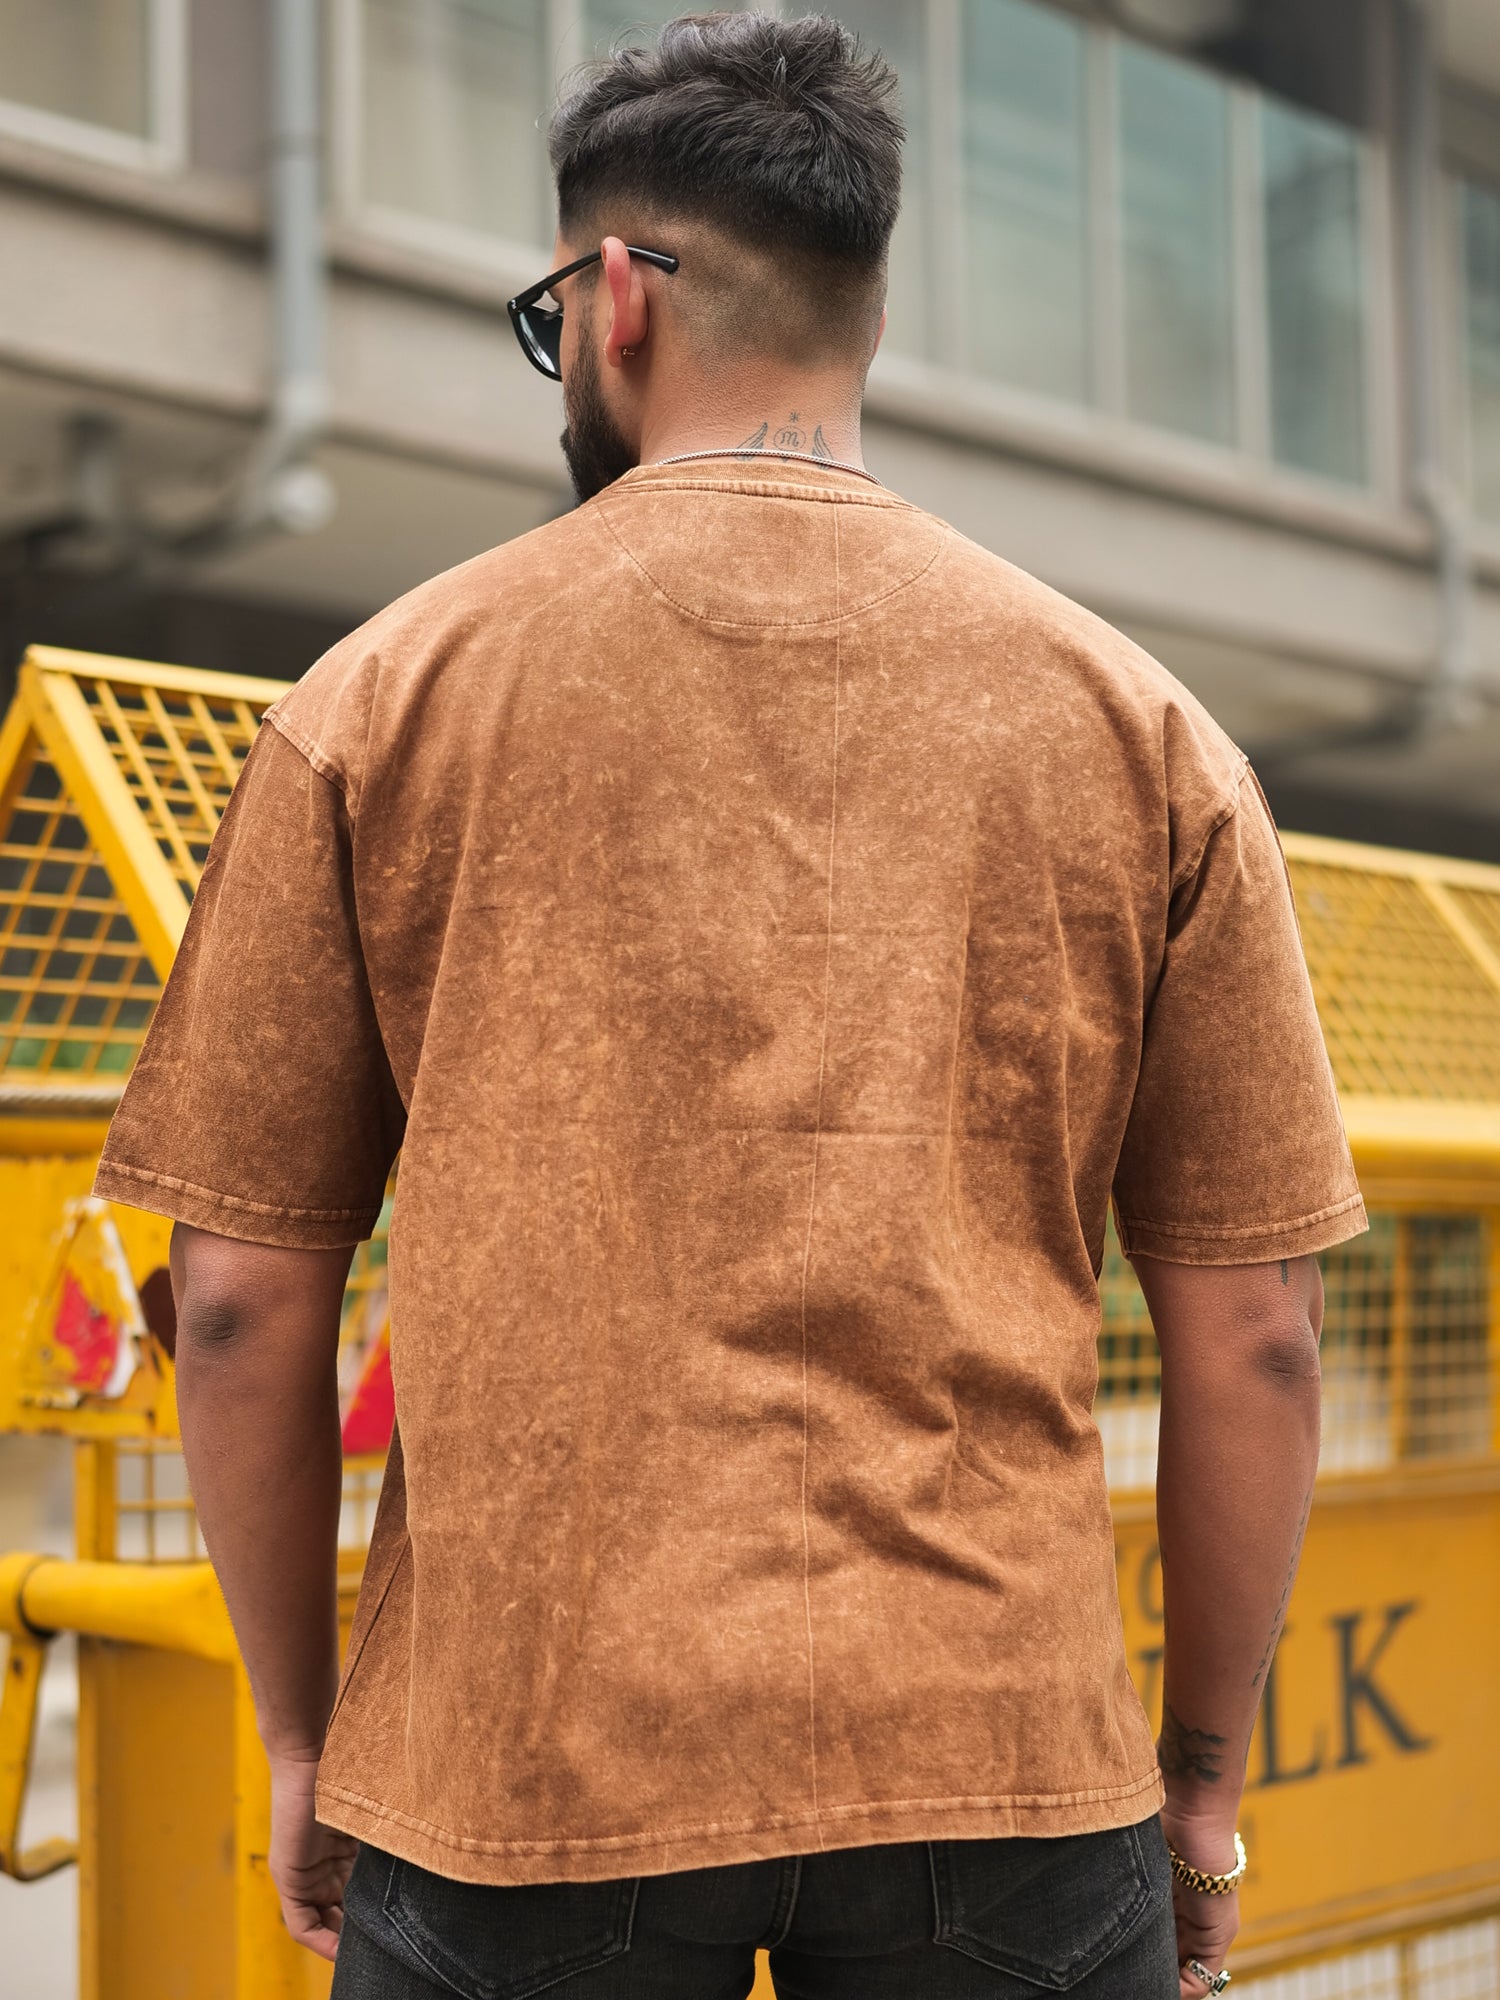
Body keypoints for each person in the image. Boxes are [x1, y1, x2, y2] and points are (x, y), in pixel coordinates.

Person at [94, 12, 1366, 1998]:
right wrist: (1195, 1777)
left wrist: (301, 1735)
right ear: (855, 309)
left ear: (614, 300)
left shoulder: (380, 700)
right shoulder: (1144, 732)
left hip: (517, 1765)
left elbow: (246, 1293)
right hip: (1005, 1761)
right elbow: (1264, 1336)